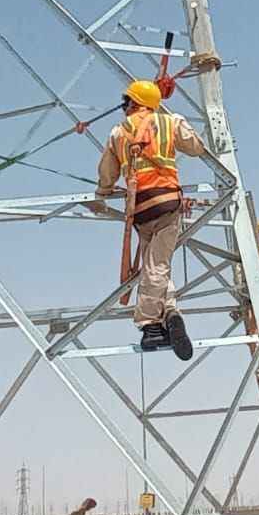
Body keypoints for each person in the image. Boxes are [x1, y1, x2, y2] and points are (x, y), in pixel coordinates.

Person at [93, 79, 206, 359]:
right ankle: (150, 325)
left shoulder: (118, 132)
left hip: (139, 209)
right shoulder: (169, 122)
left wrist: (103, 191)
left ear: (132, 102)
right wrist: (169, 116)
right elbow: (196, 147)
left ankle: (168, 312)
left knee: (152, 265)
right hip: (167, 203)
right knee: (158, 265)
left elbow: (107, 172)